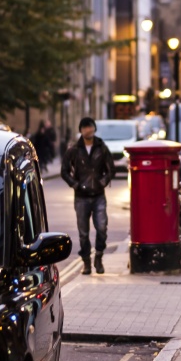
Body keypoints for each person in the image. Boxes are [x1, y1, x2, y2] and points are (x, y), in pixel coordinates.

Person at [60, 117, 116, 275]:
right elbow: (64, 171)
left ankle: (98, 256)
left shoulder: (101, 147)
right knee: (83, 233)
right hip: (81, 197)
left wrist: (102, 182)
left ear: (94, 128)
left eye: (90, 127)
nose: (88, 130)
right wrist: (75, 184)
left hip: (98, 195)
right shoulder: (74, 149)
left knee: (102, 228)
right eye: (85, 127)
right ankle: (86, 262)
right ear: (81, 130)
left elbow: (111, 169)